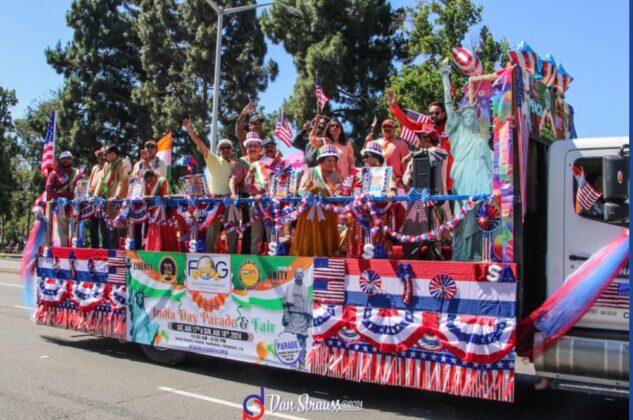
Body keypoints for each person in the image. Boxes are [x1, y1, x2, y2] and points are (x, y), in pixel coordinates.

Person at [440, 64, 492, 261]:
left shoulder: (481, 140)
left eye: (472, 115)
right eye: (466, 115)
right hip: (462, 179)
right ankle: (461, 253)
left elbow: (489, 162)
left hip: (479, 183)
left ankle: (476, 251)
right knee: (463, 216)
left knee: (479, 216)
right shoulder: (456, 135)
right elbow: (448, 108)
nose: (469, 117)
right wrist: (446, 80)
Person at [184, 118, 236, 253]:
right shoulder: (214, 160)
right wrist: (191, 132)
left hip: (229, 201)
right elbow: (202, 147)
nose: (225, 149)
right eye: (222, 148)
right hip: (214, 201)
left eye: (228, 147)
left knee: (232, 231)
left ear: (232, 150)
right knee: (212, 231)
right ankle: (209, 256)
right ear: (219, 151)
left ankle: (233, 258)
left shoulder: (236, 165)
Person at [387, 90, 454, 193]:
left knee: (449, 207)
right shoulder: (424, 127)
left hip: (448, 178)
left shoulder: (451, 128)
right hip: (427, 177)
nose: (433, 115)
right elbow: (406, 122)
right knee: (426, 206)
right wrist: (395, 106)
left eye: (437, 113)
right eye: (431, 113)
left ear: (443, 114)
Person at [402, 126, 450, 260]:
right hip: (416, 201)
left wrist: (416, 154)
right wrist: (410, 178)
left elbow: (436, 157)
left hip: (434, 200)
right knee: (413, 231)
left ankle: (433, 258)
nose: (417, 140)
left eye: (420, 137)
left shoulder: (439, 154)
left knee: (433, 234)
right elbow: (405, 178)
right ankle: (413, 258)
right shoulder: (414, 158)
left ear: (427, 139)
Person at [346, 142, 396, 258]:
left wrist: (392, 190)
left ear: (376, 157)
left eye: (367, 156)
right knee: (360, 239)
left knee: (378, 241)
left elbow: (392, 182)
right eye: (363, 157)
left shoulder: (386, 171)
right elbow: (356, 188)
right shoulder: (362, 172)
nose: (364, 159)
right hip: (363, 212)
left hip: (380, 211)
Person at [290, 145, 342, 257]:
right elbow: (301, 190)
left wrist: (339, 191)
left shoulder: (336, 175)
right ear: (321, 161)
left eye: (334, 160)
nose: (332, 163)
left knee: (326, 237)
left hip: (328, 213)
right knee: (309, 239)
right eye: (329, 160)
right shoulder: (311, 172)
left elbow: (341, 193)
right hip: (310, 213)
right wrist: (312, 191)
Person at [229, 132, 267, 255]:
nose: (252, 148)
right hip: (248, 199)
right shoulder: (241, 162)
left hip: (266, 199)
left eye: (255, 146)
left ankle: (271, 259)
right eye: (250, 146)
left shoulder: (266, 161)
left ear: (260, 148)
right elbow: (233, 180)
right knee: (248, 230)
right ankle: (247, 257)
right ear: (246, 148)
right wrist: (233, 194)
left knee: (270, 230)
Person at [95, 145, 129, 249]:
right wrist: (96, 195)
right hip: (107, 200)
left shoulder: (121, 163)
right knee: (108, 230)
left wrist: (117, 196)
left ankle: (119, 254)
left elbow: (123, 180)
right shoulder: (107, 165)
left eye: (106, 154)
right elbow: (101, 181)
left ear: (113, 154)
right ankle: (108, 252)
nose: (103, 156)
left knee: (119, 228)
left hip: (118, 202)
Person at [45, 151, 79, 247]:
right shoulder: (54, 173)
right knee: (62, 230)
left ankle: (74, 251)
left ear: (72, 160)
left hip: (74, 205)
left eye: (68, 158)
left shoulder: (77, 172)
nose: (66, 160)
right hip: (61, 205)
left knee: (74, 229)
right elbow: (49, 188)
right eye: (63, 159)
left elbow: (83, 186)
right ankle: (64, 251)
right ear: (60, 160)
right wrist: (58, 198)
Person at [365, 118, 410, 189]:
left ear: (394, 129)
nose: (387, 128)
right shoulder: (375, 143)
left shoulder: (401, 144)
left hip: (397, 184)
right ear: (381, 129)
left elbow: (406, 165)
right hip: (377, 183)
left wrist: (406, 183)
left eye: (390, 127)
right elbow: (366, 161)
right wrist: (367, 143)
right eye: (385, 127)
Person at [282, 268, 311, 370]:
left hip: (302, 318)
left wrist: (309, 320)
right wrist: (286, 315)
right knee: (292, 341)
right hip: (292, 316)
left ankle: (302, 364)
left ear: (303, 275)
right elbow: (286, 304)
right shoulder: (290, 287)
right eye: (297, 273)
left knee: (302, 343)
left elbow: (308, 305)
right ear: (295, 275)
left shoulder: (306, 289)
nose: (299, 275)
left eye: (300, 274)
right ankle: (293, 364)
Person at [142, 170, 178, 252]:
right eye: (147, 181)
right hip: (153, 211)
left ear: (154, 176)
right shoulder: (147, 184)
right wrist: (145, 187)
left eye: (151, 180)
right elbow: (146, 195)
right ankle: (153, 249)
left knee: (163, 228)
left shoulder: (162, 181)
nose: (149, 182)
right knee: (153, 228)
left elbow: (162, 195)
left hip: (164, 211)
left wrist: (149, 197)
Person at [87, 147, 107, 248]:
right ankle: (94, 246)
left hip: (103, 200)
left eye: (103, 155)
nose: (101, 157)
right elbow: (90, 182)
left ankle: (105, 249)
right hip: (92, 200)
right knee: (92, 225)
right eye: (100, 155)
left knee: (104, 226)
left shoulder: (108, 167)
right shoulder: (95, 168)